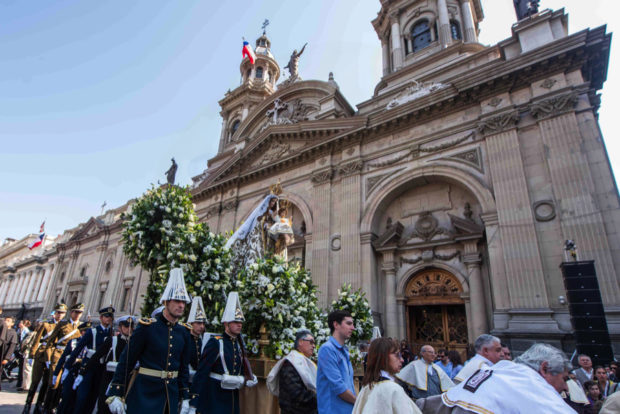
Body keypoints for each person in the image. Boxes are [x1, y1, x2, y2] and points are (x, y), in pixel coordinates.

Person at [106, 268, 193, 414]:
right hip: (145, 394)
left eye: (183, 302)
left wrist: (185, 397)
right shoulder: (147, 327)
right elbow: (127, 360)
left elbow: (183, 368)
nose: (181, 305)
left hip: (169, 398)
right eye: (177, 301)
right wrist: (116, 391)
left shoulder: (183, 332)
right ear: (166, 301)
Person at [415, 343, 576, 414]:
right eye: (564, 379)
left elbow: (446, 402)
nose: (566, 387)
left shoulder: (495, 372)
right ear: (545, 368)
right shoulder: (537, 393)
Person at [187, 292, 258, 414]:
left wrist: (248, 378)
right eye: (235, 321)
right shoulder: (216, 343)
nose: (239, 324)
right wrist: (193, 403)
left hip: (232, 400)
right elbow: (202, 373)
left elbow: (238, 368)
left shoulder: (238, 345)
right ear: (226, 323)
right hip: (214, 399)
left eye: (240, 321)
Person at [352, 337, 422, 414]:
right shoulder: (392, 389)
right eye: (397, 355)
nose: (402, 360)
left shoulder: (366, 387)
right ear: (383, 357)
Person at [81, 315, 134, 414]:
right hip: (109, 377)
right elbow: (97, 356)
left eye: (131, 327)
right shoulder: (113, 340)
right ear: (120, 327)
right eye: (126, 327)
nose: (129, 329)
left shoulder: (133, 343)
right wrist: (83, 371)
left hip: (124, 379)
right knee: (104, 406)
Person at [68, 306, 115, 414]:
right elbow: (78, 349)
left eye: (110, 317)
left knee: (93, 398)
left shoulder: (111, 334)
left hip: (101, 368)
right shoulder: (92, 332)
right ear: (101, 318)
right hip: (88, 367)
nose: (109, 319)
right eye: (106, 316)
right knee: (82, 398)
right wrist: (67, 367)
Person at [41, 302, 85, 413]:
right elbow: (50, 342)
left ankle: (55, 406)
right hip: (58, 355)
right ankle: (47, 406)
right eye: (76, 312)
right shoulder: (62, 324)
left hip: (71, 358)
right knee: (54, 383)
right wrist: (48, 358)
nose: (77, 315)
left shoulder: (82, 326)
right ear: (71, 312)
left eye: (80, 313)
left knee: (63, 385)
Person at [23, 304, 67, 414]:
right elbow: (37, 340)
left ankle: (39, 404)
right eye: (58, 313)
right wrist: (31, 356)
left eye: (62, 313)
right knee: (35, 381)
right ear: (55, 313)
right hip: (41, 356)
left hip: (53, 358)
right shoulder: (46, 325)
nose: (59, 315)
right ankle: (28, 404)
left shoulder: (64, 326)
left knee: (47, 382)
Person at [267, 329, 318, 414]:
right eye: (311, 342)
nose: (314, 346)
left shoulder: (306, 361)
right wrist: (319, 397)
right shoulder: (290, 363)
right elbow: (296, 394)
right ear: (301, 342)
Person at [317, 310, 357, 414]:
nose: (353, 328)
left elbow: (349, 384)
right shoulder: (327, 349)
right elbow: (338, 386)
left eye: (352, 324)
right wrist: (359, 402)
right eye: (348, 323)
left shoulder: (344, 350)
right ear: (336, 324)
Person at [51, 321, 92, 414]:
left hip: (83, 374)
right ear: (82, 332)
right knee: (66, 397)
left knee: (77, 400)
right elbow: (63, 358)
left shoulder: (91, 344)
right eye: (86, 331)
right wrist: (56, 373)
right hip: (72, 372)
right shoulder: (73, 342)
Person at [186, 297, 207, 371]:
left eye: (203, 324)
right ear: (191, 323)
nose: (202, 326)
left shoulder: (204, 340)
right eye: (198, 323)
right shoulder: (186, 339)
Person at [17, 321, 38, 392]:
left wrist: (22, 349)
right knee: (27, 370)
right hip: (34, 353)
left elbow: (25, 342)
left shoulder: (32, 333)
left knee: (27, 370)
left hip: (29, 353)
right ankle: (24, 385)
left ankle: (26, 386)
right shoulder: (40, 334)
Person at [0, 316, 18, 391]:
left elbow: (12, 346)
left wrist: (6, 358)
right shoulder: (2, 330)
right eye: (5, 320)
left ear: (12, 323)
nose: (6, 322)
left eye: (8, 321)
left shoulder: (13, 333)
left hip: (3, 355)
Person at [16, 320, 31, 389]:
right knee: (20, 367)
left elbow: (25, 341)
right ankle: (19, 382)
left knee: (23, 368)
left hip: (24, 351)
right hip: (20, 349)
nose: (19, 324)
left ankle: (22, 383)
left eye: (20, 323)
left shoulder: (26, 331)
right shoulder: (19, 330)